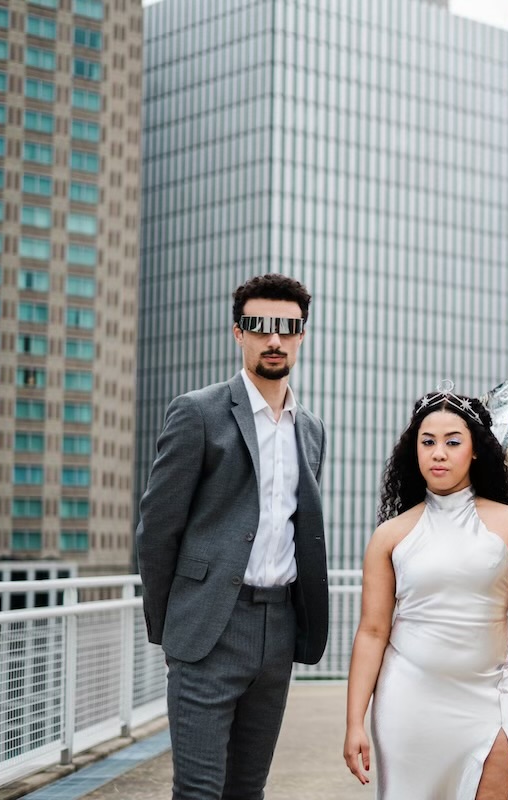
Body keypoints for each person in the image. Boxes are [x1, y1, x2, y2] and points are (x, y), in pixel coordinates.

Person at [136, 273, 329, 800]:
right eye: (260, 327)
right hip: (208, 631)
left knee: (248, 789)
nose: (274, 340)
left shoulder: (309, 429)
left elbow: (300, 529)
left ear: (301, 335)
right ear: (237, 332)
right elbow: (157, 530)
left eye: (286, 328)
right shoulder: (197, 413)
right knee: (198, 791)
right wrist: (174, 627)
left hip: (278, 628)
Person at [343, 388, 508, 799]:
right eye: (428, 441)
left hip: (493, 698)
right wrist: (354, 722)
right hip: (408, 703)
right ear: (413, 450)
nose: (439, 453)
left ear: (474, 450)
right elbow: (372, 630)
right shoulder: (390, 536)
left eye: (453, 442)